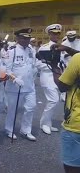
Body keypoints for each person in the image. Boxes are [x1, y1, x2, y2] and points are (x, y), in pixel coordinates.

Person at [49, 43, 80, 173]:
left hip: (76, 124)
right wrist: (68, 49)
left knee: (72, 166)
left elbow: (62, 86)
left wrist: (54, 65)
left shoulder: (78, 59)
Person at [4, 28, 37, 141]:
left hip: (29, 86)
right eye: (23, 38)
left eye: (28, 38)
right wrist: (14, 78)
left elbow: (33, 65)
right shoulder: (11, 50)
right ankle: (9, 129)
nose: (26, 40)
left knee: (30, 107)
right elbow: (6, 69)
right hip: (15, 87)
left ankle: (26, 130)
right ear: (17, 38)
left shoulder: (31, 50)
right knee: (13, 109)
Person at [37, 24, 62, 135]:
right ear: (49, 34)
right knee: (53, 100)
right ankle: (44, 124)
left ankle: (48, 123)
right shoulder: (44, 47)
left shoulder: (61, 47)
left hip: (58, 77)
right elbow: (38, 64)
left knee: (53, 101)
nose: (56, 35)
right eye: (53, 33)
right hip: (47, 77)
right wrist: (51, 65)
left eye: (58, 33)